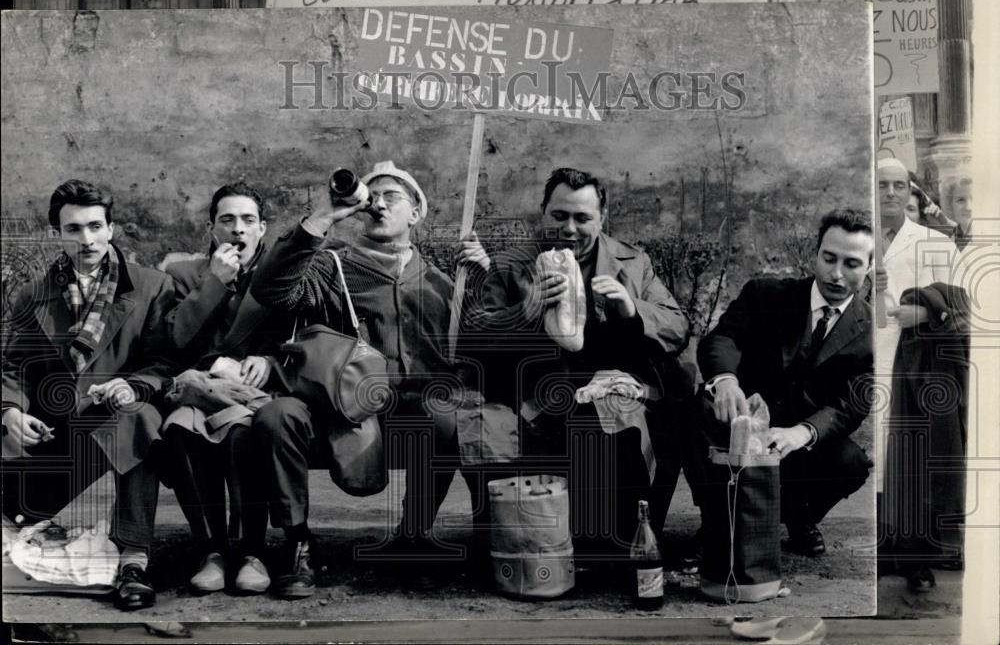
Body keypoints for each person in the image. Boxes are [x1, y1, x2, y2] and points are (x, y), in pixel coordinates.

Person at [249, 161, 485, 598]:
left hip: (411, 416)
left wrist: (484, 279)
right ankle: (298, 543)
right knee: (277, 416)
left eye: (392, 195)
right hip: (339, 410)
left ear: (415, 213)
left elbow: (482, 343)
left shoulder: (441, 280)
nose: (378, 202)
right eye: (372, 194)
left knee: (449, 416)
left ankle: (413, 533)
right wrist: (323, 216)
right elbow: (271, 290)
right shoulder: (331, 266)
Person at [461, 167, 690, 560]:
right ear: (543, 212)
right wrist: (525, 312)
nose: (569, 228)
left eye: (582, 218)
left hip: (612, 395)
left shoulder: (633, 264)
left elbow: (677, 326)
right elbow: (473, 334)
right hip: (537, 396)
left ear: (602, 217)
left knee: (626, 424)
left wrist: (631, 309)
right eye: (559, 215)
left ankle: (625, 543)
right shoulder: (510, 265)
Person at [1, 180, 176, 611]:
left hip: (119, 413)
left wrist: (131, 385)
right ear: (55, 235)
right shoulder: (34, 294)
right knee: (18, 512)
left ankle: (134, 559)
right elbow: (12, 368)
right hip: (58, 428)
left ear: (112, 229)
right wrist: (9, 412)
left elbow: (165, 362)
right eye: (74, 229)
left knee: (139, 418)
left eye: (96, 226)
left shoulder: (154, 287)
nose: (88, 239)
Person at [697, 208, 875, 557]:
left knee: (851, 463)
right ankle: (719, 522)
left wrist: (802, 433)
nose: (836, 274)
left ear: (869, 267)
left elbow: (852, 403)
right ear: (815, 254)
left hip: (800, 443)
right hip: (741, 427)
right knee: (695, 412)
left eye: (852, 264)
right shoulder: (766, 295)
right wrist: (727, 381)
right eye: (829, 258)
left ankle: (798, 518)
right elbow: (722, 339)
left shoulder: (872, 331)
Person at [162, 182, 286, 595]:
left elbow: (296, 339)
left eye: (248, 220)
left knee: (241, 432)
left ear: (262, 228)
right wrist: (214, 281)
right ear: (212, 228)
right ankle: (211, 550)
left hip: (250, 395)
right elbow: (176, 341)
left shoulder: (279, 278)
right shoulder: (183, 274)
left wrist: (267, 362)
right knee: (179, 427)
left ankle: (252, 550)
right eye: (227, 220)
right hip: (197, 388)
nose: (238, 229)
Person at [874, 158, 964, 592]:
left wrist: (926, 310)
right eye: (881, 185)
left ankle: (916, 558)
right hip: (868, 358)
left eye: (898, 184)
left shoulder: (936, 243)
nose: (890, 192)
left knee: (914, 456)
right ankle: (881, 548)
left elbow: (964, 302)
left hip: (917, 363)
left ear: (910, 192)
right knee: (880, 455)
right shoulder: (858, 242)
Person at [942, 175, 973, 251]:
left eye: (973, 199)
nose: (968, 207)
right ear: (950, 204)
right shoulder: (949, 238)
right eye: (961, 200)